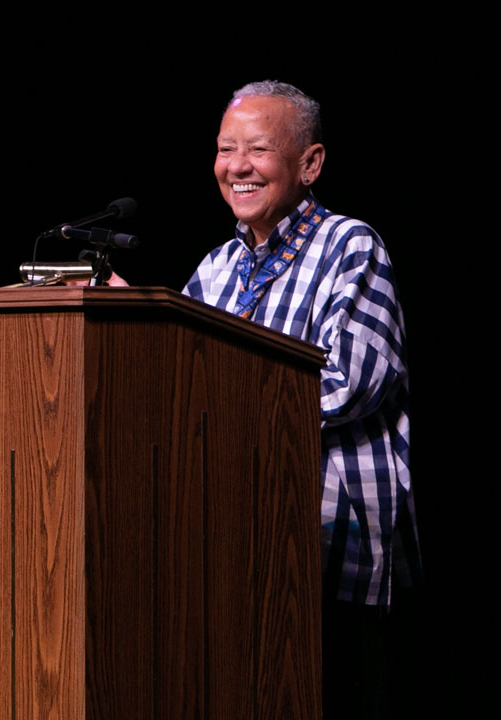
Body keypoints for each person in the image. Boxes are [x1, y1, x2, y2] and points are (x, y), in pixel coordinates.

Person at [182, 81, 421, 719]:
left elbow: (350, 382)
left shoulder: (351, 246)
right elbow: (181, 388)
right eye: (225, 148)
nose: (237, 166)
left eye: (257, 149)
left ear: (309, 164)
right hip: (232, 547)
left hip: (335, 551)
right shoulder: (215, 269)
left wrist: (226, 405)